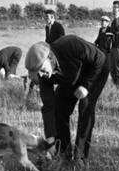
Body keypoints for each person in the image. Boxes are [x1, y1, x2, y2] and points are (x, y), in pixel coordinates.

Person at [25, 35, 108, 163]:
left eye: (42, 69)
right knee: (59, 108)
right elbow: (48, 107)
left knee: (85, 107)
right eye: (38, 74)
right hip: (70, 78)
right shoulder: (44, 76)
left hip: (95, 70)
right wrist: (50, 139)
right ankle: (63, 152)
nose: (41, 75)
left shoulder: (70, 44)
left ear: (49, 57)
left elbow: (100, 59)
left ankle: (80, 157)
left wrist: (86, 86)